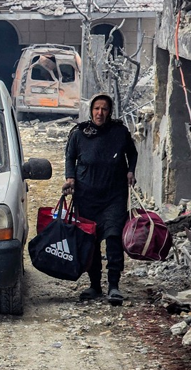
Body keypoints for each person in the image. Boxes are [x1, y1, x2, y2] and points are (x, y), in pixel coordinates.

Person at [63, 93, 137, 306]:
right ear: (91, 110)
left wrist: (131, 171)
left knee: (113, 237)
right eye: (96, 109)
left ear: (109, 111)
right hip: (86, 196)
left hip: (114, 195)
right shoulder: (79, 133)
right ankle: (95, 285)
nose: (100, 113)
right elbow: (70, 157)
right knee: (91, 240)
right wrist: (70, 178)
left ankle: (114, 285)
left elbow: (132, 154)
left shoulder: (120, 132)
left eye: (104, 109)